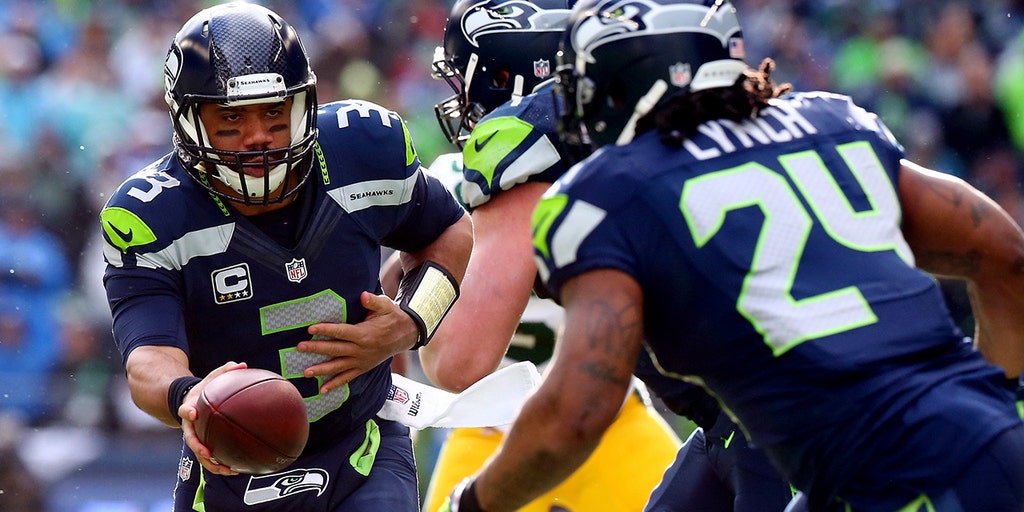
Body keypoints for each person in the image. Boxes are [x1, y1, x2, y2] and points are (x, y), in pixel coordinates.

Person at [442, 1, 1024, 511]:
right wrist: (996, 394)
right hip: (964, 436)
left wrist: (476, 502)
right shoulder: (829, 123)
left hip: (880, 471)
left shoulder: (610, 193)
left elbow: (577, 408)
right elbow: (1003, 252)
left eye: (585, 81)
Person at [99, 3, 472, 511]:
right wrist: (189, 395)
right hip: (233, 465)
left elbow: (450, 229)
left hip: (361, 447)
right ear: (189, 120)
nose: (257, 135)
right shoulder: (152, 214)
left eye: (274, 111)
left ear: (305, 104)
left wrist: (411, 321)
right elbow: (147, 360)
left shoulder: (363, 151)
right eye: (231, 117)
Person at [419, 1, 683, 511]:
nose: (461, 98)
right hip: (602, 418)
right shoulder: (623, 169)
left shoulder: (453, 180)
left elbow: (449, 359)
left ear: (504, 78)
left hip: (507, 433)